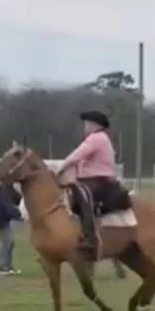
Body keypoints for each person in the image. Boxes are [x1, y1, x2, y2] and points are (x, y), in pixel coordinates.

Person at [56, 110, 130, 256]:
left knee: (83, 197)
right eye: (85, 124)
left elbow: (76, 156)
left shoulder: (96, 138)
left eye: (87, 124)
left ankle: (90, 238)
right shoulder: (98, 138)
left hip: (97, 179)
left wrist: (60, 168)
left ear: (96, 125)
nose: (85, 127)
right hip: (92, 179)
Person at [0, 181, 22, 275]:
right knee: (7, 242)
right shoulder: (3, 189)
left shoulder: (9, 188)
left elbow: (18, 199)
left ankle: (7, 266)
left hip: (4, 221)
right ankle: (1, 266)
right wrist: (19, 215)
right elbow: (8, 206)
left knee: (9, 242)